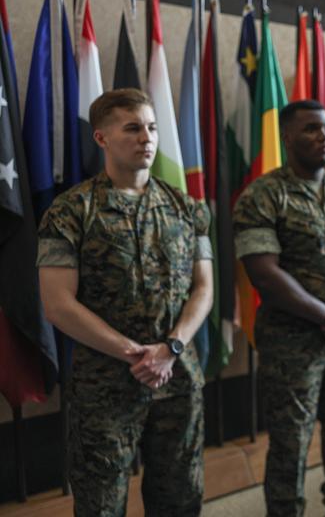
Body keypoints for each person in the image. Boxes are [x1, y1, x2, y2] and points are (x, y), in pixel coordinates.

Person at [37, 89, 214, 516]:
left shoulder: (188, 209)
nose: (146, 138)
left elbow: (204, 289)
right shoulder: (71, 211)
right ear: (101, 138)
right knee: (101, 501)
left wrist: (169, 349)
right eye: (132, 128)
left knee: (180, 495)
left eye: (152, 128)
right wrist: (136, 354)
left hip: (177, 377)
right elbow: (58, 304)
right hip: (105, 384)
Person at [233, 100, 325, 517]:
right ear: (287, 137)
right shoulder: (261, 195)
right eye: (313, 129)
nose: (324, 137)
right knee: (290, 441)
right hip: (291, 340)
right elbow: (264, 273)